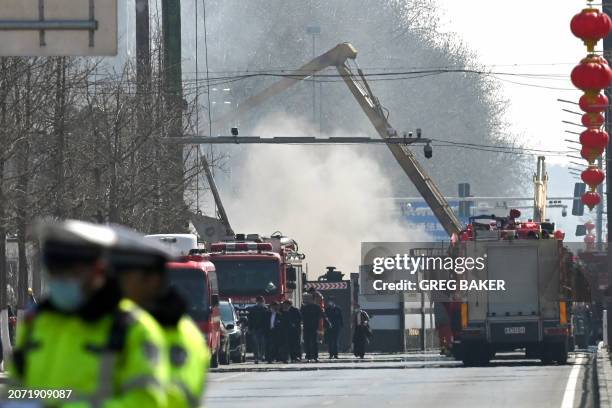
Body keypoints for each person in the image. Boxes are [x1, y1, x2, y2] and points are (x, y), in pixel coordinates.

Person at [10, 219, 169, 407]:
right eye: (54, 271)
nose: (61, 280)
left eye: (71, 273)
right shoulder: (35, 324)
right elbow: (17, 388)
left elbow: (147, 401)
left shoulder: (132, 330)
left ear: (98, 271)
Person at [108, 224, 211, 408]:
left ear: (152, 281)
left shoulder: (180, 337)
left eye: (124, 277)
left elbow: (157, 399)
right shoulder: (109, 322)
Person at [301, 294, 323, 362]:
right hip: (307, 327)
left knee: (314, 342)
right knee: (307, 342)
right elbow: (301, 316)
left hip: (314, 327)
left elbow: (320, 317)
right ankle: (308, 356)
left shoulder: (317, 307)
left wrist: (320, 327)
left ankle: (315, 356)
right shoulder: (304, 307)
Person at [247, 296, 269, 364]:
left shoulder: (266, 309)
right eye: (259, 301)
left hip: (262, 329)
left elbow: (267, 320)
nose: (260, 303)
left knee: (262, 343)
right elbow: (250, 320)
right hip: (255, 328)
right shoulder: (253, 309)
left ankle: (262, 356)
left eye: (261, 301)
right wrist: (250, 328)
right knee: (256, 344)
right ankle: (256, 357)